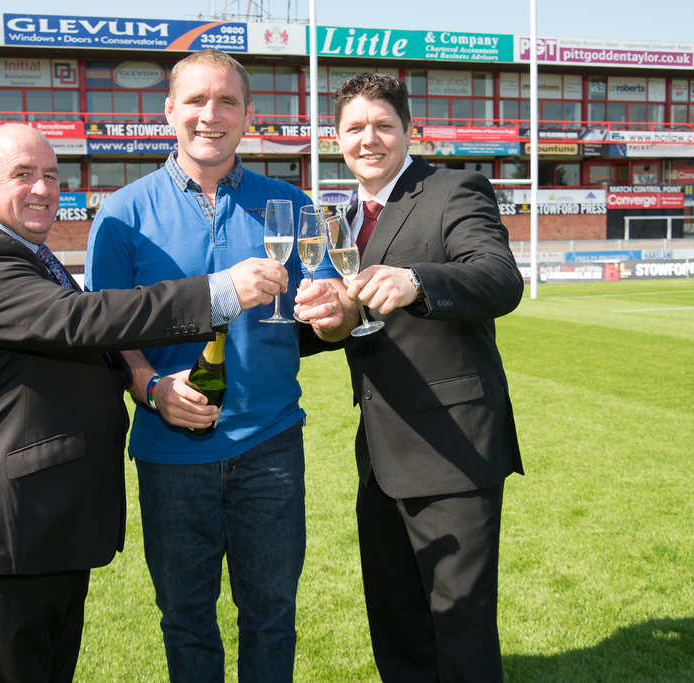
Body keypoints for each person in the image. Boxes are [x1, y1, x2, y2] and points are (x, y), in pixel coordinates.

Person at [0, 122, 283, 682]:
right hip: (5, 533)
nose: (42, 189)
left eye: (49, 176)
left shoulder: (28, 254)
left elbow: (89, 342)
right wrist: (218, 291)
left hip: (46, 526)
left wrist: (151, 385)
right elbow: (80, 320)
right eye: (22, 175)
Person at [84, 49, 351, 683]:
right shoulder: (122, 213)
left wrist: (335, 310)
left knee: (271, 616)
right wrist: (151, 387)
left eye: (227, 101)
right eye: (198, 100)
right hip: (170, 454)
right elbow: (105, 332)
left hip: (271, 447)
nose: (212, 114)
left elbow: (332, 315)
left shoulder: (289, 203)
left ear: (248, 115)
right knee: (185, 619)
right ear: (169, 111)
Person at [306, 72, 525, 683]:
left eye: (383, 125)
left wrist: (419, 280)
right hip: (380, 450)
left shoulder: (454, 189)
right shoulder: (341, 216)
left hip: (454, 448)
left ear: (408, 130)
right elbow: (349, 318)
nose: (368, 139)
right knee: (397, 623)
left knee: (459, 626)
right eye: (354, 128)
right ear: (337, 138)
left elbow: (500, 278)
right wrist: (325, 318)